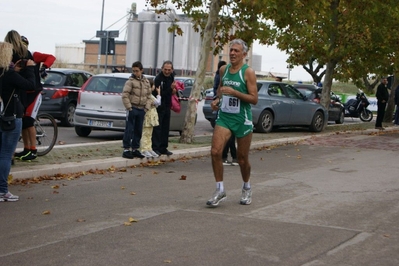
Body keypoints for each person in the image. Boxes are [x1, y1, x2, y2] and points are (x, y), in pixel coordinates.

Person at [206, 39, 258, 207]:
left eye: (236, 51)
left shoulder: (248, 72)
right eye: (231, 50)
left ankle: (247, 186)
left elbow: (254, 99)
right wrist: (216, 101)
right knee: (215, 152)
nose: (233, 53)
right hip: (225, 117)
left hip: (242, 119)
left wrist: (235, 92)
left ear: (244, 54)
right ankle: (220, 189)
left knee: (242, 159)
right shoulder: (223, 70)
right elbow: (221, 91)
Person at [4, 31, 56, 161]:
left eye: (24, 45)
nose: (22, 47)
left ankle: (32, 150)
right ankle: (26, 148)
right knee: (21, 121)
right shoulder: (13, 55)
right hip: (23, 91)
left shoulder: (32, 55)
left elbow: (51, 57)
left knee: (28, 121)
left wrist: (44, 66)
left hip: (34, 92)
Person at [0, 42, 36, 201]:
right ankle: (2, 190)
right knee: (6, 155)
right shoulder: (9, 74)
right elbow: (30, 85)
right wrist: (30, 69)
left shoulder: (7, 73)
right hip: (11, 118)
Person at [121, 61, 152, 159]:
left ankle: (135, 148)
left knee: (138, 130)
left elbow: (149, 96)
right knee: (129, 129)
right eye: (133, 71)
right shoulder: (130, 81)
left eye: (137, 71)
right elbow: (125, 95)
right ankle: (126, 149)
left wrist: (146, 107)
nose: (135, 73)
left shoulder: (146, 82)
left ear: (141, 70)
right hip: (132, 108)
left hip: (141, 109)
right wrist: (129, 107)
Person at [151, 60, 175, 156]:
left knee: (165, 128)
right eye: (165, 69)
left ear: (172, 70)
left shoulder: (172, 77)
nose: (167, 71)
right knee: (158, 128)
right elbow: (159, 95)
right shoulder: (158, 79)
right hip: (159, 107)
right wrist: (170, 89)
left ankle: (163, 147)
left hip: (167, 106)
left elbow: (172, 92)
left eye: (169, 70)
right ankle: (155, 148)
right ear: (162, 69)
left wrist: (174, 90)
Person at [140, 85, 161, 158]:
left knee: (149, 134)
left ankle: (149, 148)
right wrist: (159, 94)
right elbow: (158, 102)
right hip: (148, 117)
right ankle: (144, 149)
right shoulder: (148, 96)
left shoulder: (151, 95)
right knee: (145, 133)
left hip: (152, 117)